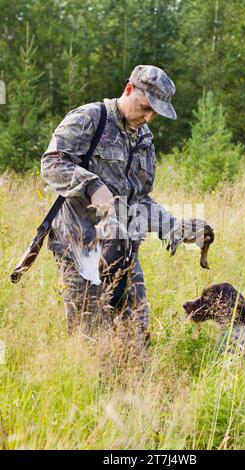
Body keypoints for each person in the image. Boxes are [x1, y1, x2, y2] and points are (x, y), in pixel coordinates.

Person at [41, 64, 212, 340]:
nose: (148, 117)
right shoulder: (89, 119)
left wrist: (173, 227)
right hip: (81, 246)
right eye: (145, 107)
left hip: (124, 248)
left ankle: (134, 382)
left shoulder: (143, 137)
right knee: (89, 335)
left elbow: (139, 198)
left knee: (135, 334)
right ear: (129, 89)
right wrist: (92, 184)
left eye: (154, 113)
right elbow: (50, 165)